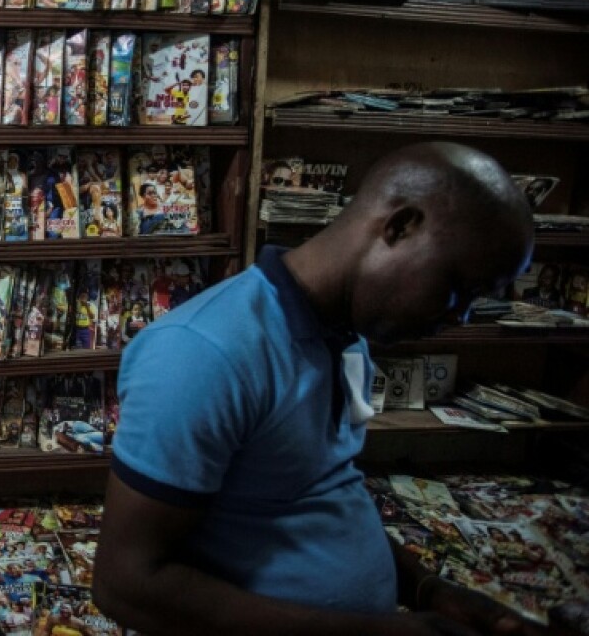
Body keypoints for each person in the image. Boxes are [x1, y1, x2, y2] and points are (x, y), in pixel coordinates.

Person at [94, 142, 540, 636]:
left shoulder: (348, 338)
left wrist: (424, 589)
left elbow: (322, 488)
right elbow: (125, 584)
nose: (461, 316)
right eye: (458, 287)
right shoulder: (201, 352)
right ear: (399, 226)